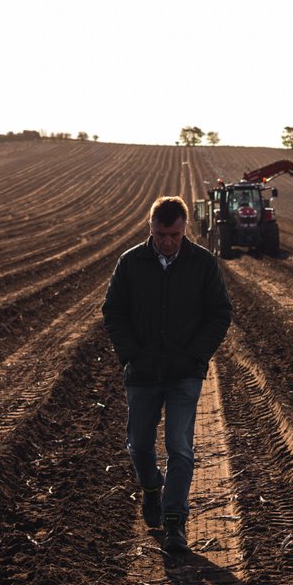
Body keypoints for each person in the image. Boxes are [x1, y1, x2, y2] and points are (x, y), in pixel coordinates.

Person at [102, 195, 232, 554]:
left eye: (174, 234)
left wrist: (195, 356)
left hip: (183, 374)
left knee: (180, 447)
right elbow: (113, 311)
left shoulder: (203, 263)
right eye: (161, 234)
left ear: (185, 229)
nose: (168, 242)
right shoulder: (130, 263)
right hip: (142, 373)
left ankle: (175, 521)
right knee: (139, 445)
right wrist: (131, 355)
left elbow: (220, 313)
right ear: (150, 228)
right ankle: (150, 488)